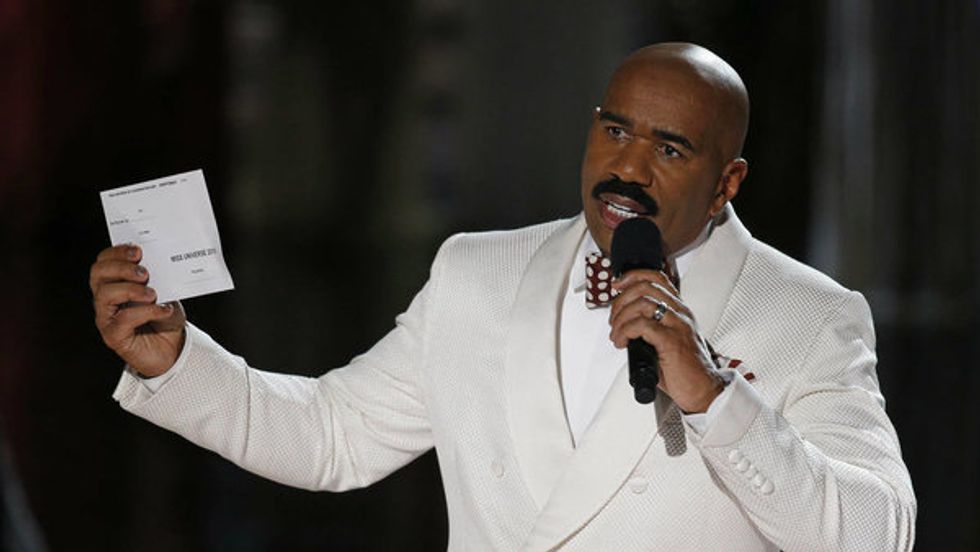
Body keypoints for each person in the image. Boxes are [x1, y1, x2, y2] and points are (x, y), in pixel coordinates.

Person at [90, 43, 916, 551]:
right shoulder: (477, 272)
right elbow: (332, 437)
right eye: (615, 130)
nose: (628, 167)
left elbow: (877, 534)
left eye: (670, 148)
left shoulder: (808, 315)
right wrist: (177, 362)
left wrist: (713, 397)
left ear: (727, 181)